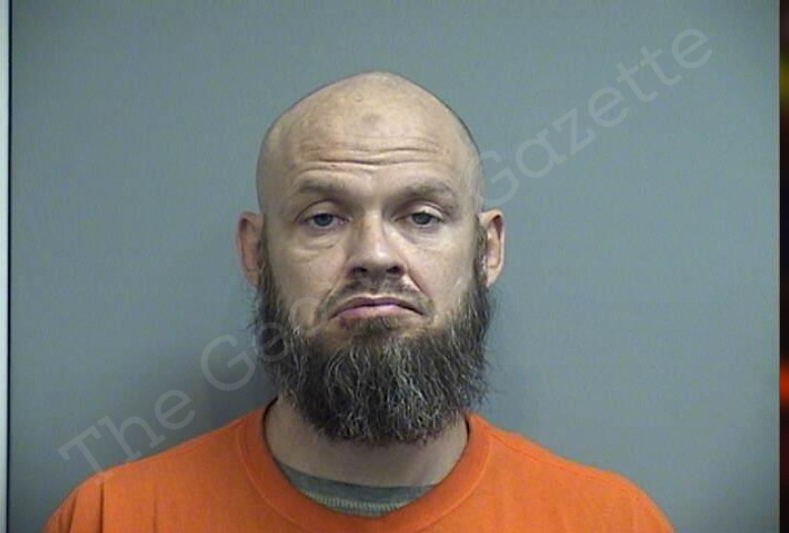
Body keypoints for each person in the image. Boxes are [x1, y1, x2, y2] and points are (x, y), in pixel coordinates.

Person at [46, 71, 673, 532]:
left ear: (487, 251)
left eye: (422, 216)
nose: (374, 255)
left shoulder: (612, 521)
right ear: (256, 253)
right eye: (323, 218)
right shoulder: (109, 518)